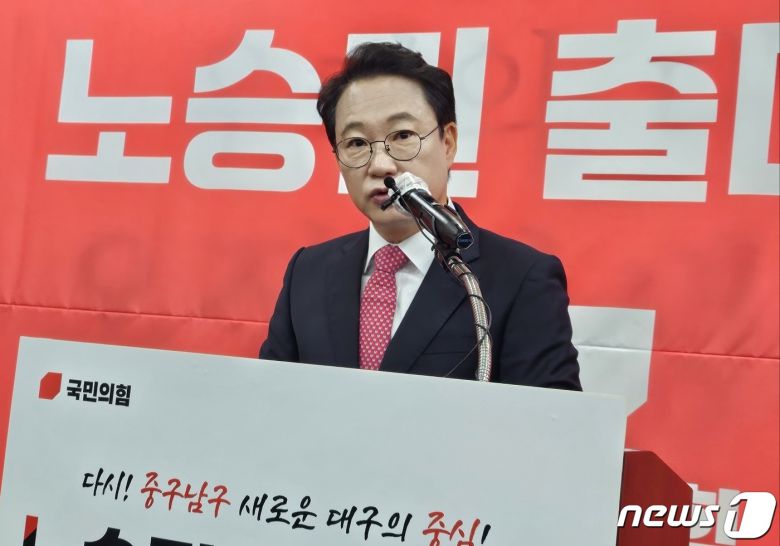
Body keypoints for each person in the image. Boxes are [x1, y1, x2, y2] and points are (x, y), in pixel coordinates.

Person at [259, 42, 581, 390]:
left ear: (448, 143)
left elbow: (549, 417)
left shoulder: (520, 278)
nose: (381, 165)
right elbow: (268, 399)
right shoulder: (307, 273)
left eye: (402, 136)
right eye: (356, 143)